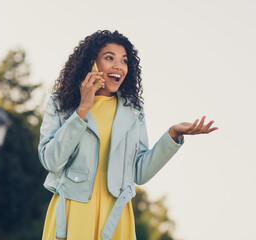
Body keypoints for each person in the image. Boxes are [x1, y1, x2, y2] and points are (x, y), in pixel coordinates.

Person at [38, 30, 218, 240]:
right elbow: (51, 161)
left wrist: (172, 135)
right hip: (73, 211)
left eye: (124, 61)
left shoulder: (133, 110)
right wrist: (83, 108)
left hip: (116, 215)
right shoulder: (61, 103)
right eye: (109, 58)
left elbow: (140, 173)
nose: (118, 67)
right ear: (91, 64)